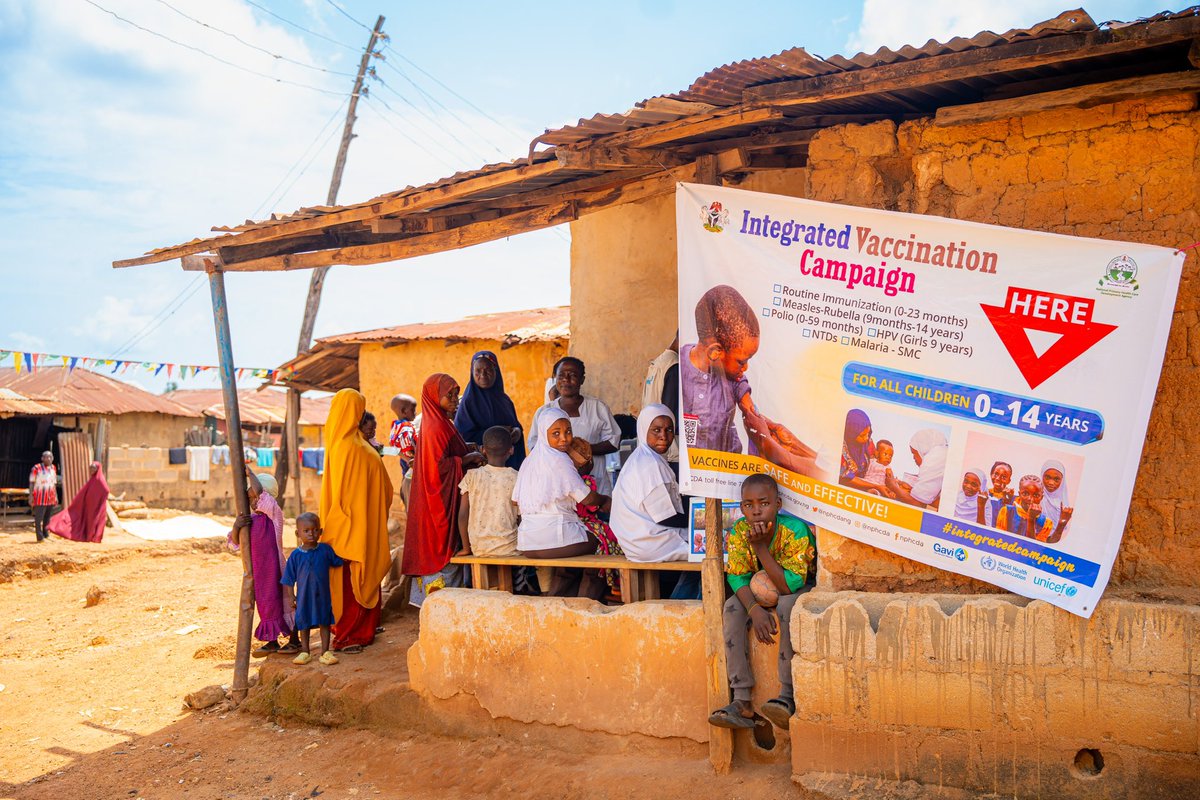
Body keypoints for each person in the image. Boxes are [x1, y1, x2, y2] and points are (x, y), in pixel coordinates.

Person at [708, 474, 816, 731]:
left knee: (788, 606)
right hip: (760, 593)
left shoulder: (794, 531)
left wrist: (761, 549)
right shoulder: (739, 531)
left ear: (778, 504)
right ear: (742, 507)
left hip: (795, 587)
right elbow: (736, 575)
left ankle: (786, 697)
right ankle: (742, 701)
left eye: (764, 503)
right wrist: (754, 610)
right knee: (732, 608)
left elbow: (788, 585)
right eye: (748, 505)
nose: (756, 511)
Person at [682, 286, 818, 476]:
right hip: (692, 476)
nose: (745, 368)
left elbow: (751, 411)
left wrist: (767, 435)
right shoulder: (679, 371)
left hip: (728, 476)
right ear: (715, 352)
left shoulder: (733, 378)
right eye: (742, 361)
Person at [321, 388, 393, 652]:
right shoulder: (352, 447)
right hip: (356, 525)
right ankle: (351, 634)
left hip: (351, 523)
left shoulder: (342, 443)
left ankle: (362, 627)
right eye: (359, 410)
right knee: (355, 579)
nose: (361, 415)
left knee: (353, 578)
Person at [402, 374, 484, 605]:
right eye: (449, 395)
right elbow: (438, 466)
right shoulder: (437, 426)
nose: (455, 400)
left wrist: (465, 450)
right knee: (440, 551)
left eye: (456, 394)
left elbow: (444, 453)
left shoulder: (438, 422)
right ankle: (439, 608)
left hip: (437, 499)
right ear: (434, 397)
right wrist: (467, 458)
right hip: (439, 501)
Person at [610, 404, 700, 598]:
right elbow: (666, 517)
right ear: (643, 430)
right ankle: (679, 606)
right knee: (712, 552)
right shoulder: (648, 464)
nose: (664, 436)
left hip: (638, 539)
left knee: (704, 545)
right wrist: (706, 518)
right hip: (649, 541)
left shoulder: (647, 458)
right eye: (656, 430)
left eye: (669, 430)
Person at [228, 472, 301, 656]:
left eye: (255, 497)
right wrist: (237, 526)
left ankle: (294, 640)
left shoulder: (274, 515)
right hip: (261, 573)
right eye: (250, 498)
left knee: (286, 603)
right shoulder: (250, 521)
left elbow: (261, 494)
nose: (253, 502)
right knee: (267, 605)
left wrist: (249, 473)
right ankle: (272, 641)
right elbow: (234, 544)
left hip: (276, 568)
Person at [528, 357, 621, 494]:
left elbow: (614, 442)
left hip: (595, 483)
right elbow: (534, 445)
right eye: (561, 375)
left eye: (572, 375)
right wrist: (566, 451)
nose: (566, 379)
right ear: (555, 378)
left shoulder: (597, 408)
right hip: (557, 484)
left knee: (594, 511)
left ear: (582, 379)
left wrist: (583, 450)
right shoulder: (544, 412)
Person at [281, 511, 343, 666]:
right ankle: (305, 652)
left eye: (315, 530)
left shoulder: (325, 550)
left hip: (322, 596)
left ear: (320, 532)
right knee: (304, 622)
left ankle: (325, 652)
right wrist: (292, 596)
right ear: (298, 533)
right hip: (304, 597)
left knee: (324, 621)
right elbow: (289, 578)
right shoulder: (295, 555)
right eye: (306, 531)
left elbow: (338, 562)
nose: (311, 534)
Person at [454, 350, 527, 469]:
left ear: (496, 371)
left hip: (509, 465)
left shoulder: (504, 400)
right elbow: (462, 438)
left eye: (488, 370)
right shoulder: (468, 403)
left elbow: (515, 426)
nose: (482, 375)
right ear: (472, 372)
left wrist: (517, 432)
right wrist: (497, 433)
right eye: (478, 371)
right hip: (483, 470)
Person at [456, 426, 520, 557]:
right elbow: (521, 517)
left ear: (483, 450)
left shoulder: (471, 476)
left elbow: (463, 515)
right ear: (511, 450)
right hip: (510, 547)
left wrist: (466, 547)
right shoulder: (517, 477)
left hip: (479, 548)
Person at [995, 474, 1072, 543]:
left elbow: (1033, 548)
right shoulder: (1006, 512)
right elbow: (998, 539)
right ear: (1019, 494)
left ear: (1041, 497)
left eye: (1036, 495)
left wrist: (1061, 524)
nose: (1030, 499)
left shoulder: (1046, 523)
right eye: (1025, 493)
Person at [884, 429, 948, 509]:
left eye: (914, 453)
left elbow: (918, 505)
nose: (913, 458)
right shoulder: (943, 453)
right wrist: (912, 490)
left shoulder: (933, 459)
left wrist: (893, 486)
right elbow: (936, 501)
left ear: (923, 450)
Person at [47, 461, 109, 543]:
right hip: (88, 505)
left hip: (95, 507)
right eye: (90, 468)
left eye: (93, 468)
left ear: (98, 469)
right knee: (87, 521)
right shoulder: (92, 479)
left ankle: (91, 537)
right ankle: (88, 537)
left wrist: (98, 501)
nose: (91, 470)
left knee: (93, 521)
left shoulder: (99, 479)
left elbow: (106, 490)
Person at [643, 333, 680, 467]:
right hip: (671, 452)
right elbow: (671, 415)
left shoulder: (658, 363)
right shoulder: (674, 366)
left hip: (654, 449)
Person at [839, 409, 876, 491]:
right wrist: (875, 486)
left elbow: (876, 460)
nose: (866, 438)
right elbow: (846, 479)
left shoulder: (868, 442)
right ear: (851, 434)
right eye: (862, 435)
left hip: (867, 483)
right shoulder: (839, 449)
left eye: (868, 433)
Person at [29, 451, 58, 543]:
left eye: (50, 457)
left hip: (51, 495)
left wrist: (56, 496)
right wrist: (31, 496)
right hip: (40, 495)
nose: (48, 459)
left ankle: (46, 534)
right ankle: (39, 537)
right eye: (46, 457)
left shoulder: (53, 468)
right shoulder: (36, 468)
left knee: (47, 517)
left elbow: (54, 483)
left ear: (52, 458)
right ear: (42, 458)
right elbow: (32, 482)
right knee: (39, 517)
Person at [1040, 459, 1072, 529]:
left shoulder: (1064, 506)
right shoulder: (1035, 498)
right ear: (1042, 476)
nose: (1051, 482)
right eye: (1047, 477)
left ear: (1062, 481)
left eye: (1056, 479)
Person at [982, 461, 1014, 527]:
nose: (998, 478)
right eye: (996, 474)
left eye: (1004, 477)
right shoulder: (984, 494)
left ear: (1009, 481)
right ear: (991, 474)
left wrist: (1007, 501)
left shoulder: (1013, 499)